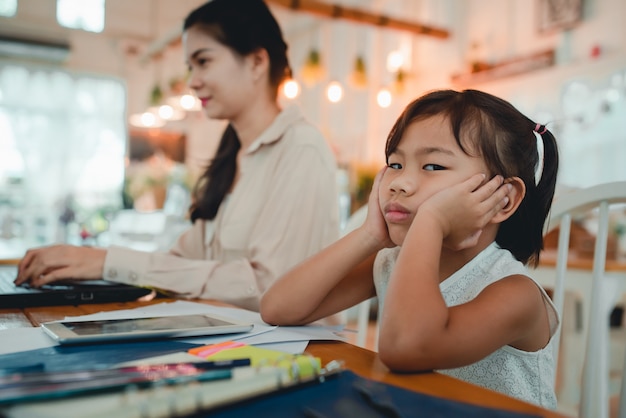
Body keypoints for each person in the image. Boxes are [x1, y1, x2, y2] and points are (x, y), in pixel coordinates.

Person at [15, 0, 339, 312]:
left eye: (204, 61)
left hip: (291, 357)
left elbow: (268, 288)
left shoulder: (301, 149)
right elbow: (179, 263)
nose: (192, 82)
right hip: (226, 342)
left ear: (256, 62)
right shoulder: (233, 156)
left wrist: (106, 261)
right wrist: (92, 265)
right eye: (190, 66)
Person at [261, 89, 560, 408]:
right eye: (395, 164)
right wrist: (369, 236)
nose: (399, 183)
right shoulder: (391, 262)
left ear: (504, 198)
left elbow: (405, 347)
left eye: (433, 166)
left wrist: (430, 222)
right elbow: (278, 308)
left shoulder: (517, 294)